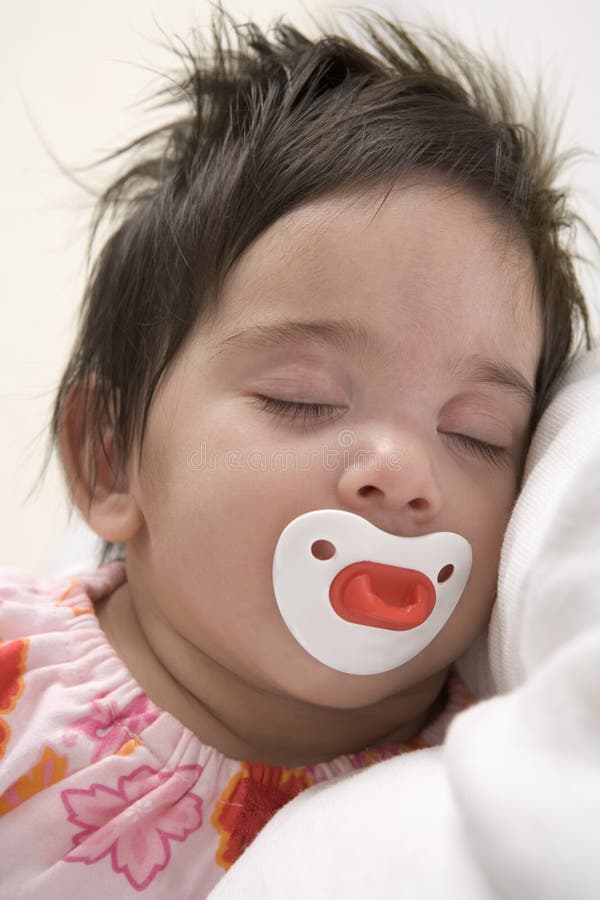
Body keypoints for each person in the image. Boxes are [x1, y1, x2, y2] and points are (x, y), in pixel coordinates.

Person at [0, 7, 592, 898]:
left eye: (476, 435)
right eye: (302, 398)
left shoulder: (484, 791)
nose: (402, 470)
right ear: (112, 457)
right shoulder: (16, 682)